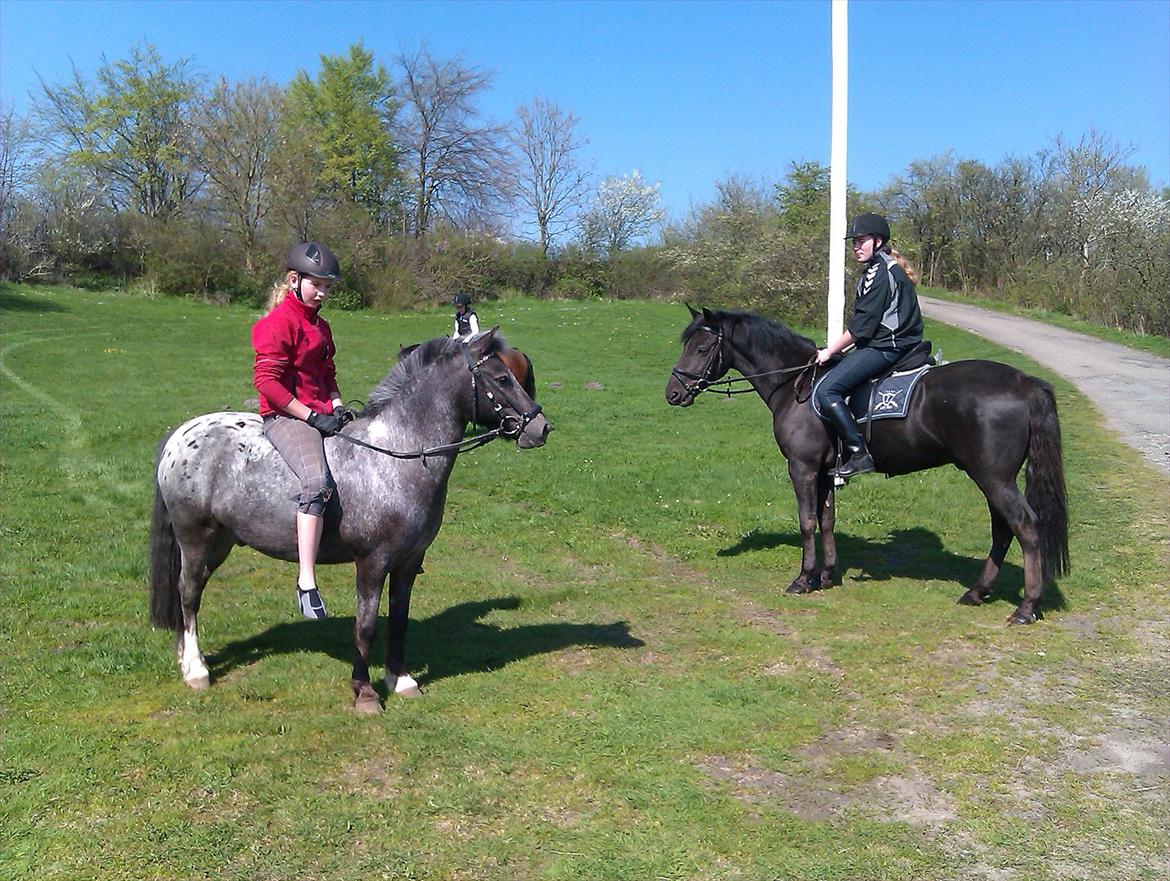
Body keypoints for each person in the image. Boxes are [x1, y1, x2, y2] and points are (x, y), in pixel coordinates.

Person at [252, 242, 355, 619]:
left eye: (329, 286)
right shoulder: (277, 324)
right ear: (294, 280)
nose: (324, 292)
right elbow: (267, 383)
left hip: (322, 412)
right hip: (286, 417)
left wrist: (339, 408)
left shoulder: (321, 326)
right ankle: (307, 582)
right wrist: (311, 419)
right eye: (318, 285)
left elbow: (327, 377)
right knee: (316, 482)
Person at [813, 212, 923, 479]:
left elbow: (862, 326)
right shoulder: (881, 268)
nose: (856, 246)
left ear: (877, 241)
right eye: (854, 242)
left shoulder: (879, 273)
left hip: (888, 347)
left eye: (861, 240)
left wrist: (830, 350)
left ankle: (859, 453)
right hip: (887, 342)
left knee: (827, 391)